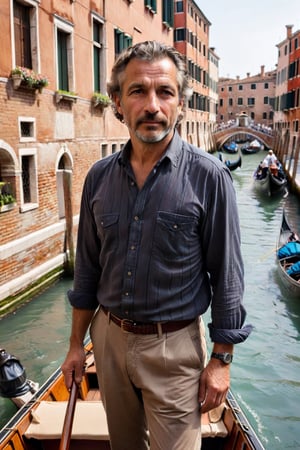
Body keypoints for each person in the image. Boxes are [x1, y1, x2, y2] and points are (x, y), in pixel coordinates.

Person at [61, 41, 252, 450]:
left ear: (180, 103)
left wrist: (221, 360)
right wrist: (77, 346)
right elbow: (87, 273)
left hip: (174, 347)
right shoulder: (97, 178)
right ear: (117, 101)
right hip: (108, 342)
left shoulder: (210, 177)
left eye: (164, 92)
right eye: (137, 91)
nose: (152, 105)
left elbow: (228, 278)